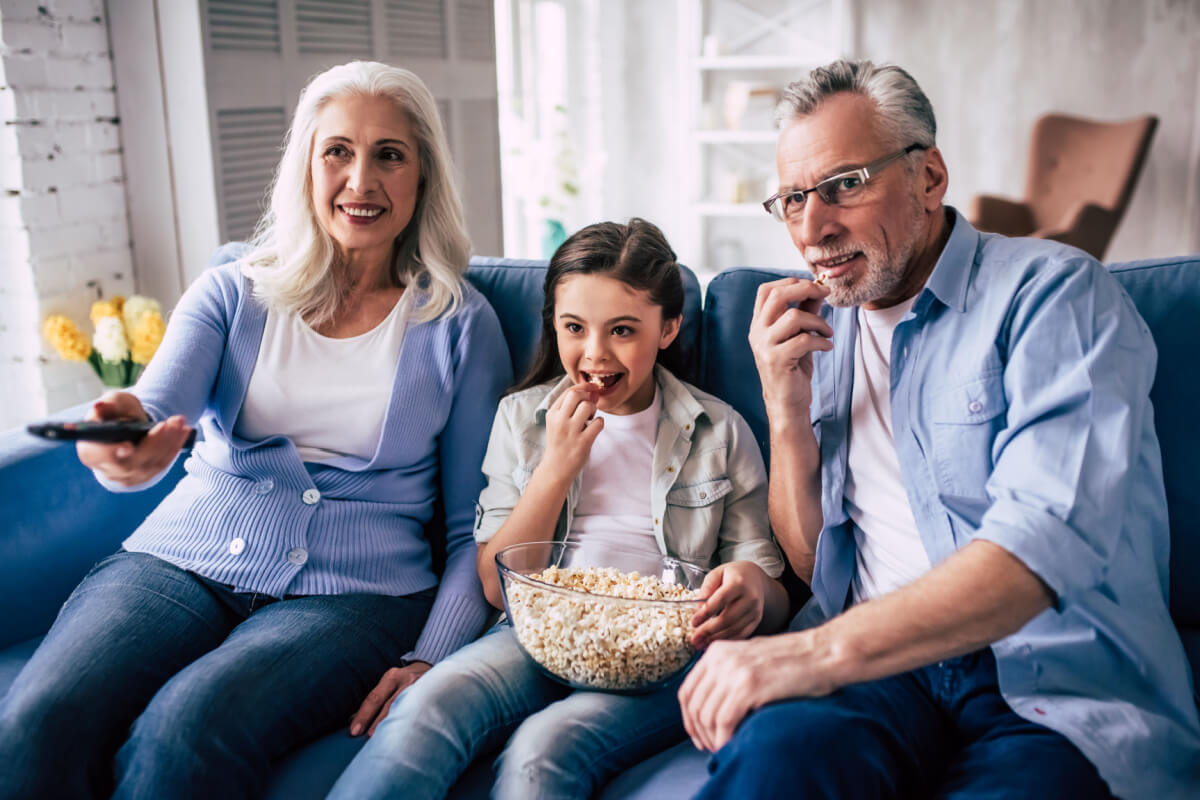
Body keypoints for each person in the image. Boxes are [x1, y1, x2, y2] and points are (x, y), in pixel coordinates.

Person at [678, 59, 1200, 799]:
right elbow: (809, 559)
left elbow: (1037, 549)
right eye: (792, 199)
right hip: (878, 677)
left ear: (929, 177)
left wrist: (812, 655)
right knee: (772, 767)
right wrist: (785, 409)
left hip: (1050, 683)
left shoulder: (1055, 295)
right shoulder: (819, 331)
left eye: (845, 185)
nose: (813, 227)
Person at [0, 61, 511, 799]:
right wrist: (120, 443)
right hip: (180, 563)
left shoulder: (459, 325)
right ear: (305, 163)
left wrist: (433, 657)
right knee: (42, 717)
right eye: (337, 150)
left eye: (388, 155)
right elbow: (148, 412)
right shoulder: (231, 294)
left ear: (422, 176)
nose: (360, 180)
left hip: (355, 595)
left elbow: (474, 527)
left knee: (187, 729)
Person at [326, 218, 788, 800]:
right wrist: (556, 468)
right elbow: (498, 589)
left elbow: (769, 590)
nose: (594, 354)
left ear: (668, 327)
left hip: (662, 655)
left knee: (542, 751)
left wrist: (749, 587)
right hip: (532, 634)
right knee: (425, 709)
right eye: (575, 327)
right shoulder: (521, 420)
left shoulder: (719, 430)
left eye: (623, 330)